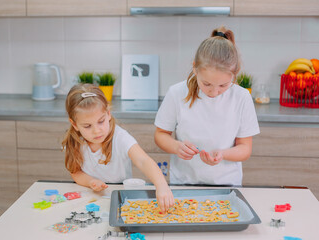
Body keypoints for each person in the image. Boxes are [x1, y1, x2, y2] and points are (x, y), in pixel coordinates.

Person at [154, 26, 260, 186]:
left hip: (227, 185)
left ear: (234, 74)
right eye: (207, 83)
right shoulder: (176, 93)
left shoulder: (242, 97)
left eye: (223, 85)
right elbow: (160, 135)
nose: (214, 92)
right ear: (195, 68)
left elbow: (245, 148)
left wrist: (223, 154)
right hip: (184, 183)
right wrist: (176, 147)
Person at [62, 84, 174, 211]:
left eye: (101, 121)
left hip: (120, 200)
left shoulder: (120, 137)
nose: (97, 131)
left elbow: (143, 161)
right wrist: (91, 182)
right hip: (89, 199)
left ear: (108, 114)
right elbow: (76, 172)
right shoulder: (74, 141)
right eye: (87, 126)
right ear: (74, 124)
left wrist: (162, 186)